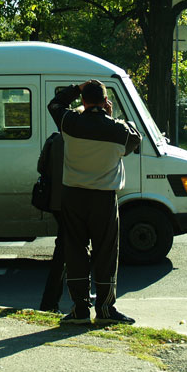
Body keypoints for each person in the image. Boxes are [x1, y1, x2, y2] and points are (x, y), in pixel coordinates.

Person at [47, 80, 141, 325]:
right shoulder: (119, 131)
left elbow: (55, 104)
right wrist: (111, 117)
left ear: (84, 102)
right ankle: (106, 308)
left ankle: (79, 308)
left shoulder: (69, 122)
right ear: (106, 102)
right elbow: (135, 138)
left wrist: (76, 88)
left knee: (75, 250)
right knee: (106, 252)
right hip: (103, 197)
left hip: (73, 195)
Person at [37, 132, 65, 313]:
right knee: (64, 254)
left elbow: (41, 167)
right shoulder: (79, 140)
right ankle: (49, 303)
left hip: (55, 201)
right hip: (73, 203)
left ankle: (51, 302)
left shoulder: (54, 139)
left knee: (65, 251)